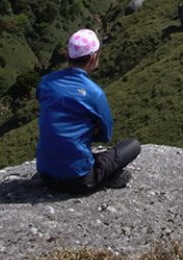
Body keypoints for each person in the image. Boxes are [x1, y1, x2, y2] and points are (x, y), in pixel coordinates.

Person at [36, 28, 140, 192]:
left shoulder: (45, 82)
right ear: (93, 57)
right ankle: (108, 178)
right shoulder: (94, 93)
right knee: (133, 145)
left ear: (68, 55)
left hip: (45, 175)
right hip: (79, 179)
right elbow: (106, 135)